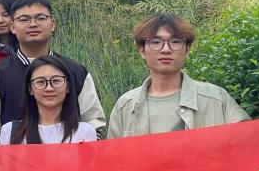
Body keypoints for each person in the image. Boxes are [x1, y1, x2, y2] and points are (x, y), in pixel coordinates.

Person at [0, 0, 105, 138]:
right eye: (24, 19)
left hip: (70, 151)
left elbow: (94, 123)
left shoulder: (76, 72)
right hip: (14, 152)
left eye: (41, 18)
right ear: (12, 26)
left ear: (52, 24)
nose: (33, 24)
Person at [107, 14, 250, 137]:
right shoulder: (125, 107)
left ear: (187, 49)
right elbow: (112, 158)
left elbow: (248, 145)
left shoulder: (216, 99)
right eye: (156, 42)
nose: (166, 49)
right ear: (142, 50)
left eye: (175, 42)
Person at [1, 55, 99, 144]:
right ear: (30, 89)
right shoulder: (10, 132)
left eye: (56, 81)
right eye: (41, 82)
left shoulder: (84, 132)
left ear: (68, 87)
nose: (49, 88)